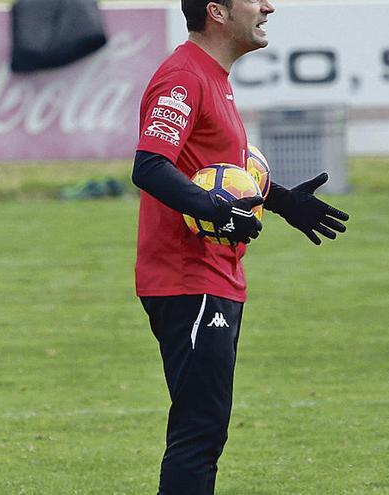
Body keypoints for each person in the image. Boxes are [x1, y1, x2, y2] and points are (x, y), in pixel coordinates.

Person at [131, 0, 349, 493]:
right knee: (199, 432)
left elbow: (217, 171)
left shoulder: (214, 77)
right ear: (218, 12)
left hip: (217, 277)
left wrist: (283, 201)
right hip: (188, 278)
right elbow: (149, 165)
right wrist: (212, 210)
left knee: (205, 430)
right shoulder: (183, 77)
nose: (269, 6)